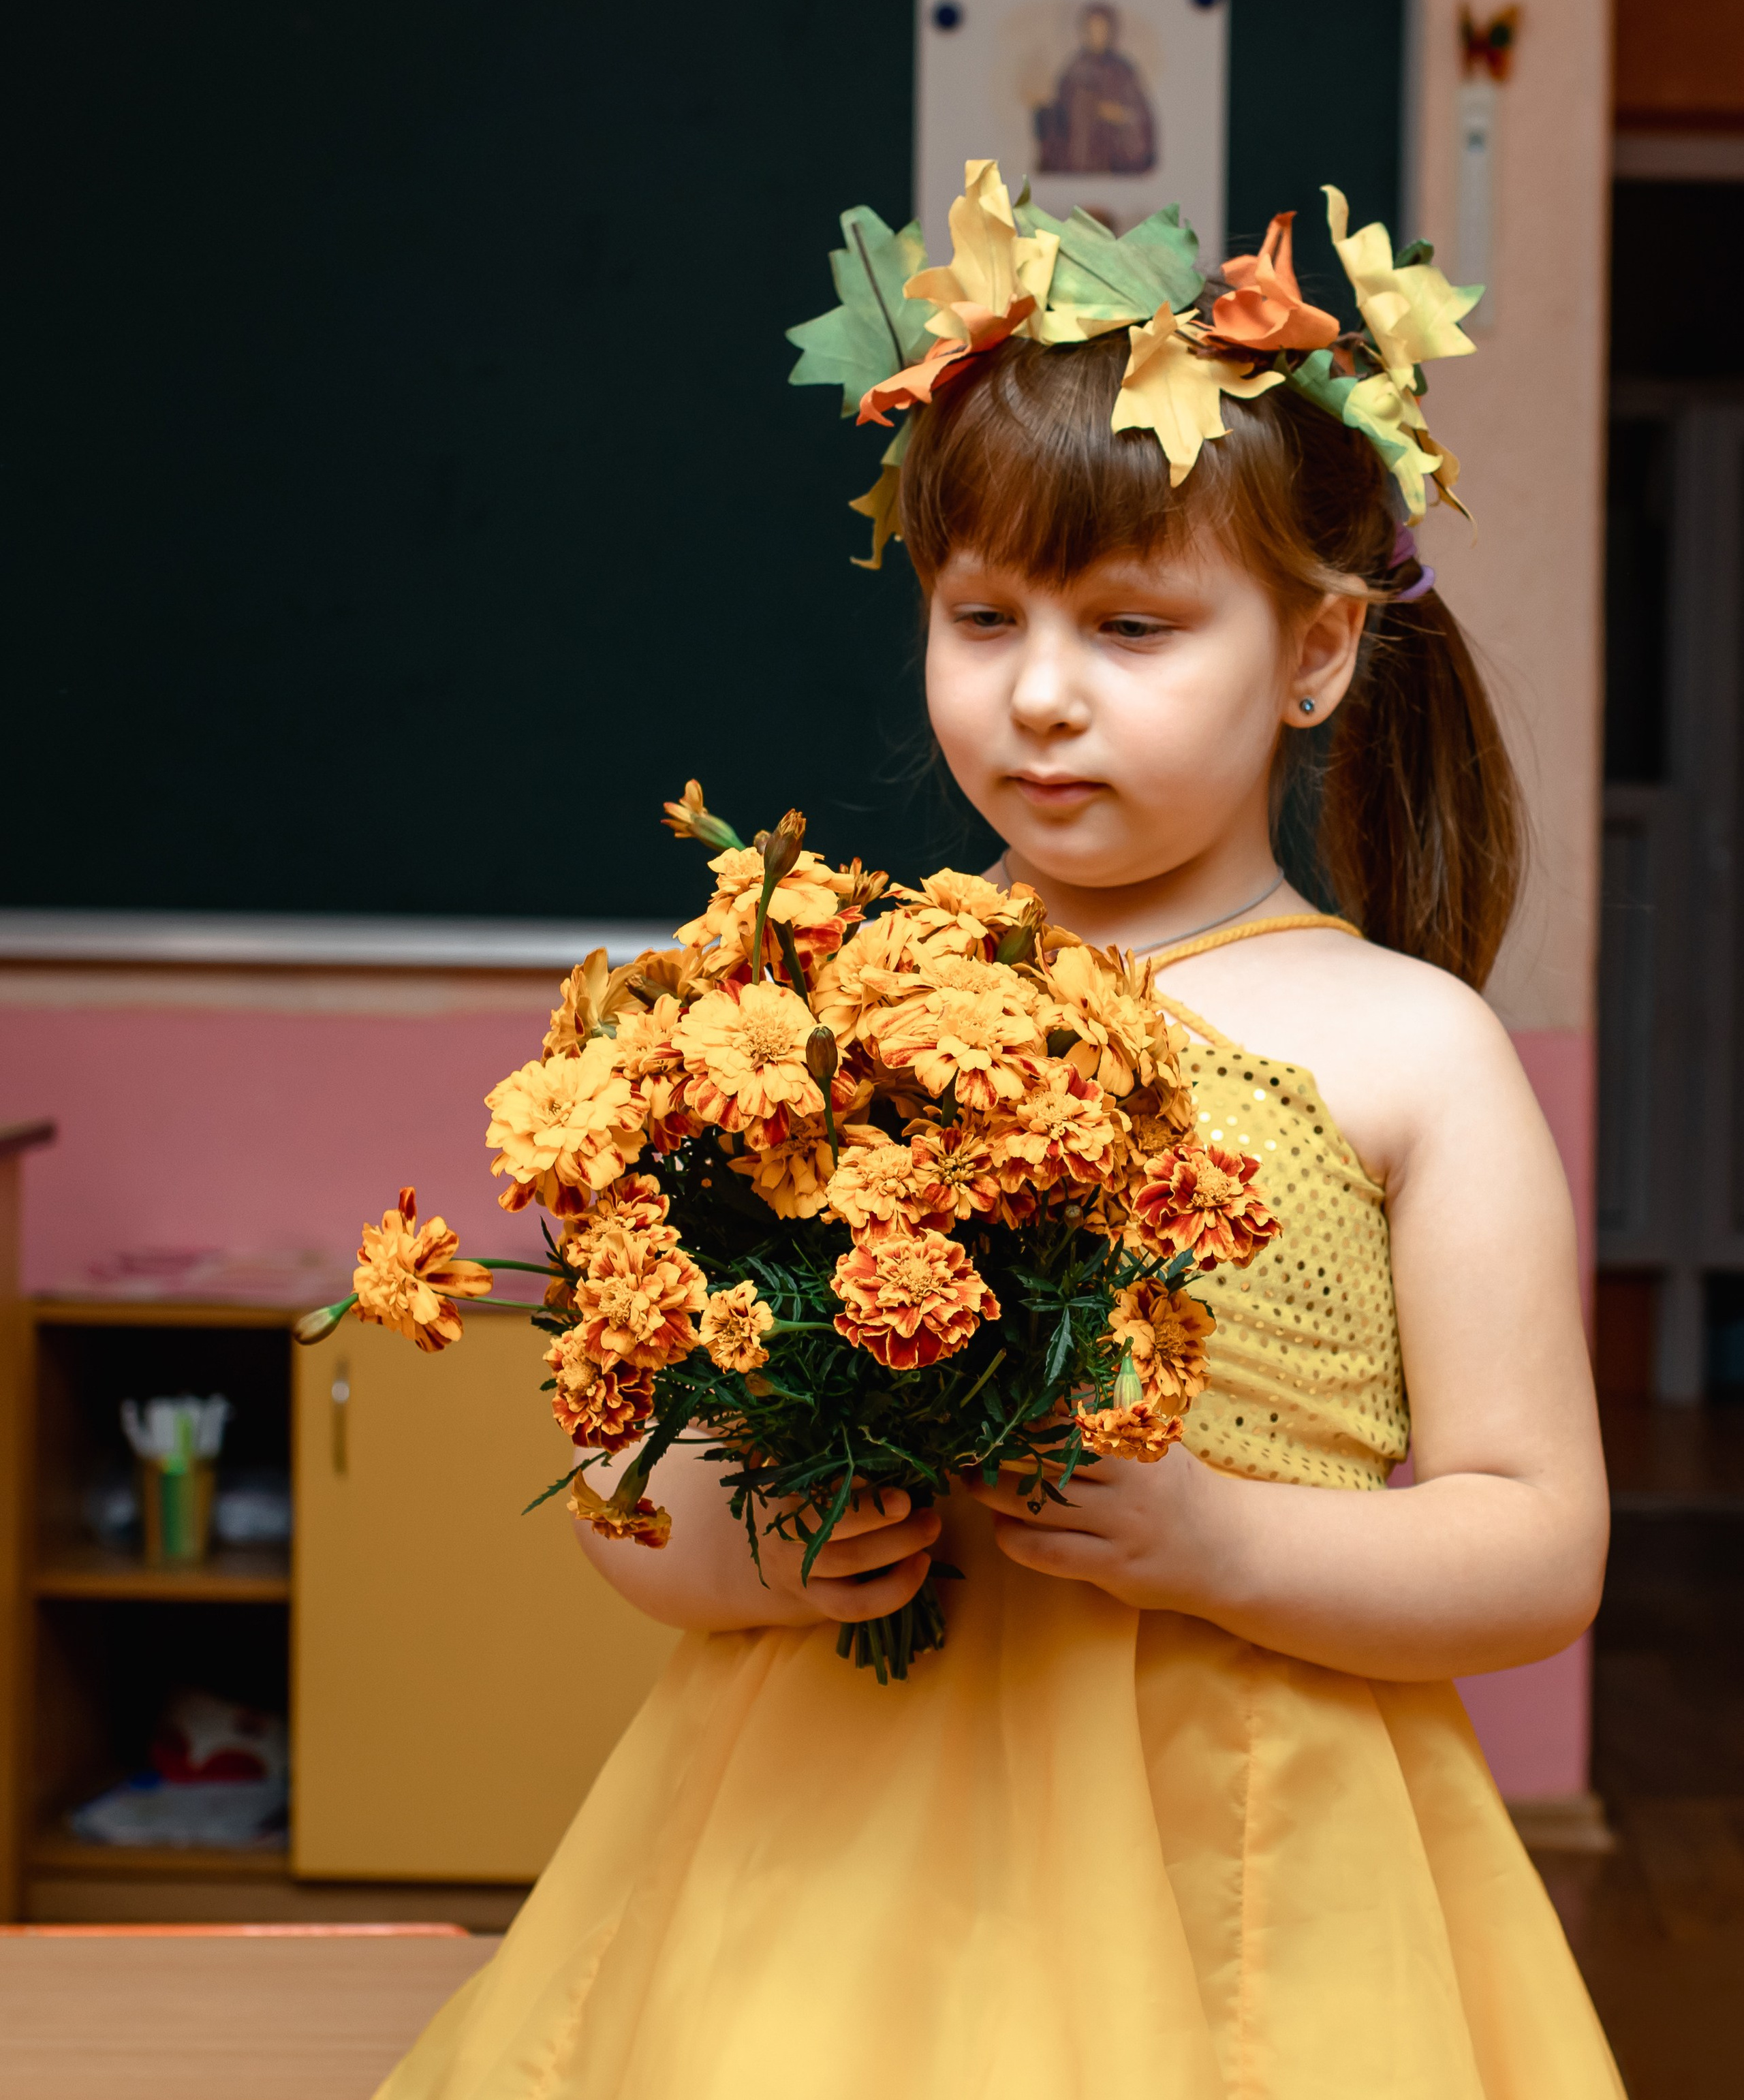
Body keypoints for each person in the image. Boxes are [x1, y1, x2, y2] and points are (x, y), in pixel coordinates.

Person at [377, 174, 1623, 2097]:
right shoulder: (819, 1013)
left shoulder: (1412, 1049)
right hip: (821, 1882)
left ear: (1313, 656)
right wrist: (746, 1558)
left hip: (1254, 1881)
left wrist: (1219, 1540)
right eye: (984, 618)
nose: (1041, 694)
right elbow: (633, 1470)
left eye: (1134, 626)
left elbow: (1539, 1550)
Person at [1034, 1, 1156, 175]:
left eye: (1101, 30)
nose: (1096, 35)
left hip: (1113, 163)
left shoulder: (1123, 71)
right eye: (1091, 30)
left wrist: (1121, 116)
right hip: (1079, 163)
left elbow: (1142, 120)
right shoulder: (1074, 70)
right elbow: (1060, 119)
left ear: (1111, 32)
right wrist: (1042, 111)